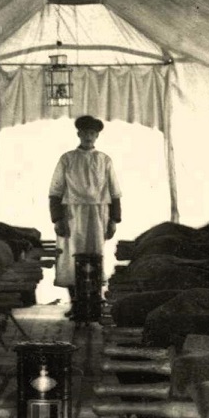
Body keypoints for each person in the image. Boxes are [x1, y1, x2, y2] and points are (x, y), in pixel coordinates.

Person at [48, 115, 122, 302]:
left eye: (92, 133)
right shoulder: (67, 159)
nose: (88, 137)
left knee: (96, 254)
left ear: (97, 136)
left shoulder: (104, 160)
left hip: (98, 213)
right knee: (71, 256)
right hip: (72, 213)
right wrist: (57, 219)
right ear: (78, 134)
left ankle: (94, 302)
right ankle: (75, 302)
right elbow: (55, 190)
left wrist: (113, 220)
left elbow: (115, 191)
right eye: (85, 133)